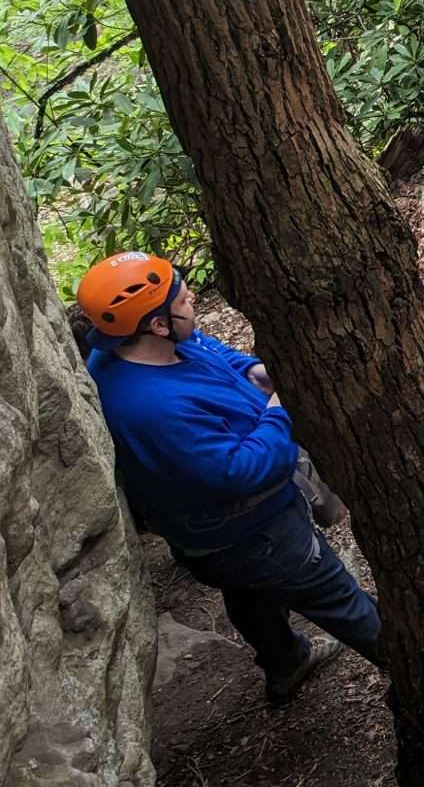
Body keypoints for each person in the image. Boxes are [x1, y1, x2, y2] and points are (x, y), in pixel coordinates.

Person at [78, 252, 381, 703]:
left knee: (248, 594)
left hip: (214, 541)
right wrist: (279, 411)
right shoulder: (153, 408)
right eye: (183, 298)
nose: (193, 297)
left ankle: (286, 662)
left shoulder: (144, 346)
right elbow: (240, 472)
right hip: (254, 532)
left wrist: (257, 371)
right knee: (341, 600)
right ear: (157, 325)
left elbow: (214, 355)